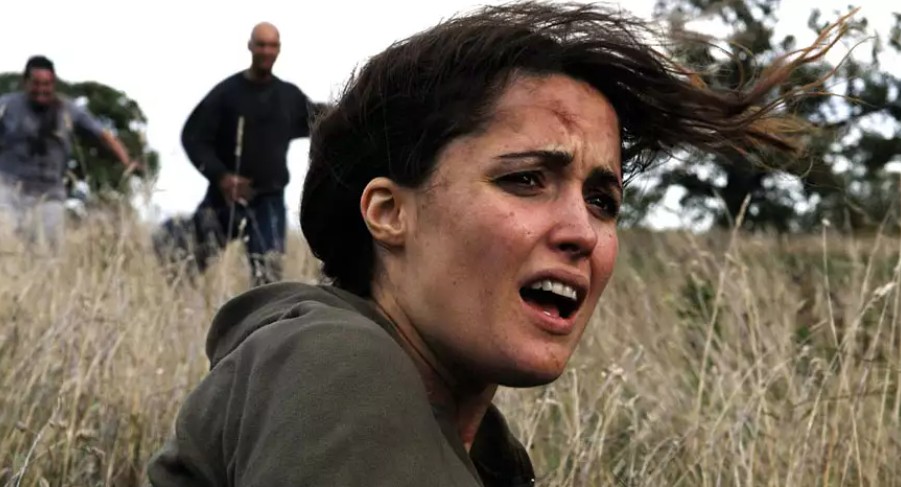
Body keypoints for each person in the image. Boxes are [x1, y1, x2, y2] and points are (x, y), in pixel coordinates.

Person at [147, 2, 851, 485]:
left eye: (602, 200)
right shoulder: (336, 359)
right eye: (525, 179)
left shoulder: (476, 446)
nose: (583, 232)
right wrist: (220, 173)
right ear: (388, 213)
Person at [155, 21, 327, 286]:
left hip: (269, 199)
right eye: (261, 45)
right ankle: (178, 288)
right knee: (188, 258)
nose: (267, 51)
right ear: (250, 46)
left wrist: (356, 108)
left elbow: (320, 120)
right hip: (225, 196)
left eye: (272, 46)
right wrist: (222, 177)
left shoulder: (288, 96)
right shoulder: (227, 94)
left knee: (267, 276)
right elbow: (193, 137)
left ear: (279, 49)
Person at [0, 55, 139, 249]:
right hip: (8, 188)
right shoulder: (6, 105)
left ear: (54, 84)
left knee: (46, 254)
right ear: (26, 83)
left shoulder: (68, 110)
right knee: (5, 244)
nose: (41, 90)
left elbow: (103, 135)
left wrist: (126, 161)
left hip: (50, 194)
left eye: (47, 84)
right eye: (36, 84)